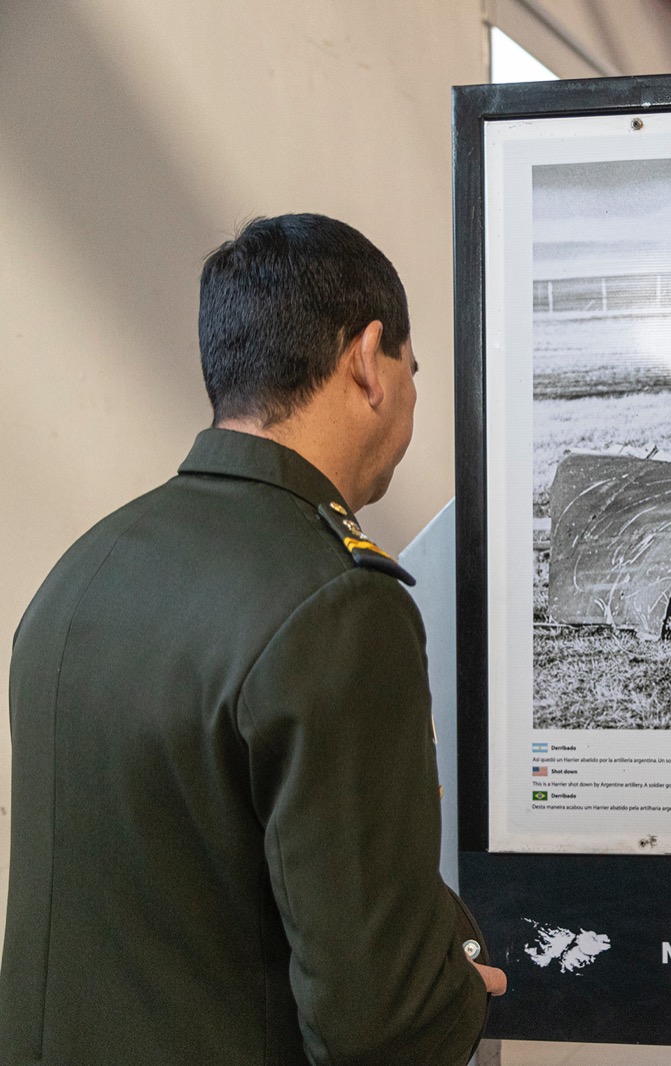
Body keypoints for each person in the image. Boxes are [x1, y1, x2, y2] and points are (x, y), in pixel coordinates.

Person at [0, 214, 506, 1065]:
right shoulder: (339, 604)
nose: (413, 396)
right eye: (412, 371)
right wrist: (458, 979)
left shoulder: (85, 569)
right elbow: (379, 1023)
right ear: (366, 360)